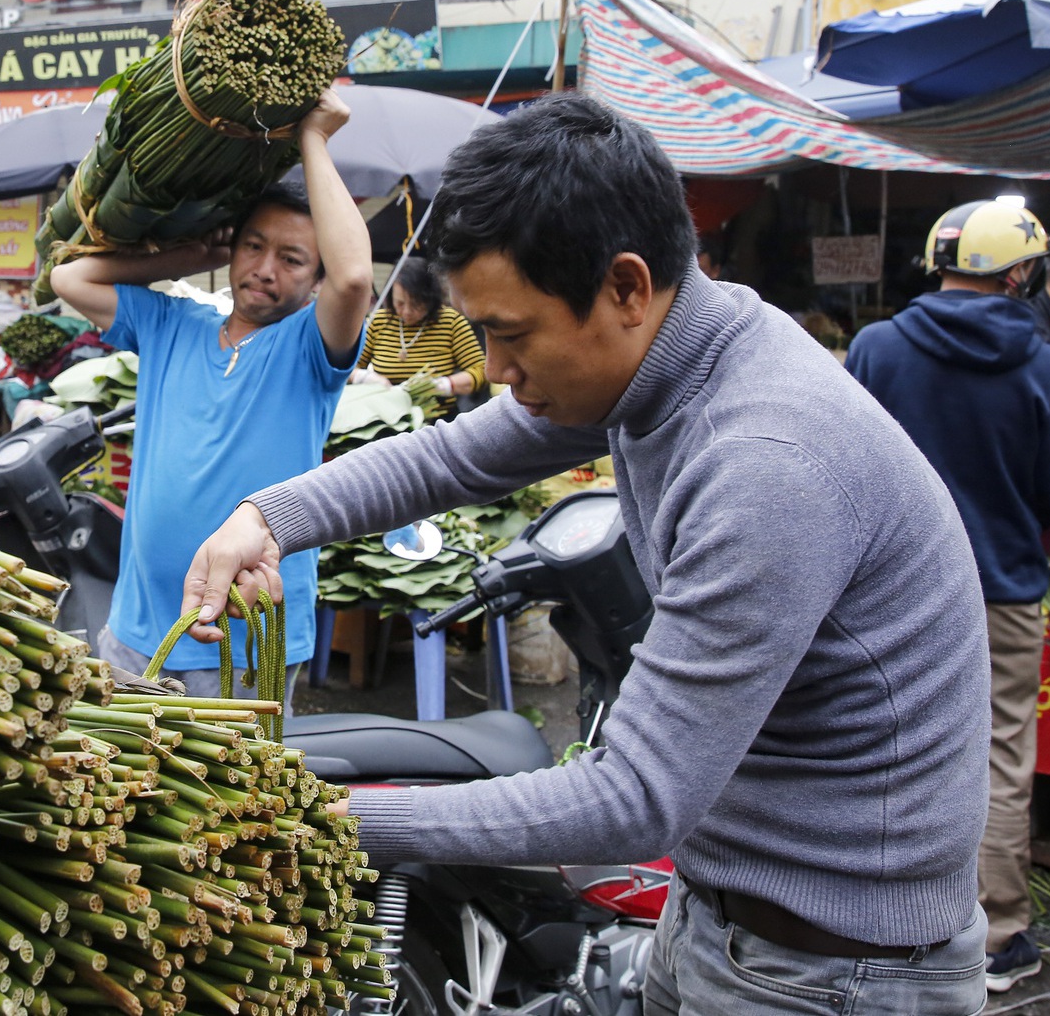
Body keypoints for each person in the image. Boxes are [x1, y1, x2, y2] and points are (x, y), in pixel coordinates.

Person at [180, 94, 990, 1014]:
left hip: (833, 970)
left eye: (509, 335)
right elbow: (460, 452)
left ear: (626, 288)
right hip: (720, 908)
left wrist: (317, 815)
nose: (491, 369)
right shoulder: (668, 352)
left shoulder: (766, 461)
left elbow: (635, 796)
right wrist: (268, 516)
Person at [50, 91, 372, 710]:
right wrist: (194, 252)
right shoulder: (174, 322)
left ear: (314, 277)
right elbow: (70, 277)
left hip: (243, 641)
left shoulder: (308, 347)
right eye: (253, 246)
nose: (265, 268)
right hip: (137, 627)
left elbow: (355, 277)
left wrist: (313, 139)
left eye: (292, 258)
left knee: (231, 806)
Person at [847, 198, 1050, 993]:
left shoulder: (875, 348)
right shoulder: (1039, 365)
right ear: (1019, 273)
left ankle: (882, 914)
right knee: (998, 752)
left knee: (887, 742)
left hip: (887, 593)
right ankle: (996, 934)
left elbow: (847, 464)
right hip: (1000, 587)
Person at [354, 255, 485, 416]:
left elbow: (481, 370)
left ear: (430, 298)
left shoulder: (451, 322)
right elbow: (348, 368)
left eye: (416, 304)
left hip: (437, 416)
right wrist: (363, 377)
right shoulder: (378, 322)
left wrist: (445, 385)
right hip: (387, 416)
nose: (407, 312)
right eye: (400, 303)